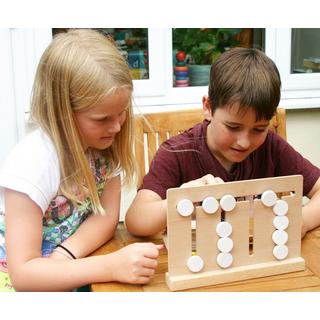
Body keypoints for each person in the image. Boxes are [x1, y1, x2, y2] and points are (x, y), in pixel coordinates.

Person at [0, 29, 162, 292]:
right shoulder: (31, 165)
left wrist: (66, 254)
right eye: (102, 119)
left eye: (121, 113)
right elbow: (23, 274)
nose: (117, 127)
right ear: (61, 110)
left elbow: (107, 217)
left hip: (71, 271)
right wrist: (111, 266)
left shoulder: (103, 147)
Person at [125, 47, 320, 239]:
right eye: (233, 127)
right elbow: (136, 220)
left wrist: (302, 220)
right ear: (208, 107)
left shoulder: (271, 146)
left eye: (259, 129)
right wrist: (183, 198)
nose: (244, 142)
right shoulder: (176, 152)